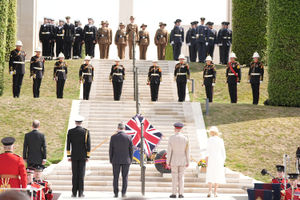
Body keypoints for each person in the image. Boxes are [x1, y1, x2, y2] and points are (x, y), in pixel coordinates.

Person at [67, 116, 91, 198]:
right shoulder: (86, 132)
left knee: (75, 175)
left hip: (74, 156)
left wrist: (69, 155)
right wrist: (87, 156)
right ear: (81, 122)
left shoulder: (71, 131)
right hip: (83, 156)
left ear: (75, 122)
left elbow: (68, 144)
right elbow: (88, 145)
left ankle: (74, 193)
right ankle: (80, 193)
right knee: (81, 175)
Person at [109, 123, 133, 198]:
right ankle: (123, 193)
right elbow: (131, 150)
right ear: (124, 128)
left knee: (115, 177)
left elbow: (111, 150)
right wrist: (130, 159)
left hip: (115, 159)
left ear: (118, 128)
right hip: (126, 160)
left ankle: (116, 193)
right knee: (125, 177)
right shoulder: (128, 137)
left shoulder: (113, 137)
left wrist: (111, 159)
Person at [166, 122, 190, 198]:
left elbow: (169, 151)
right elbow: (187, 151)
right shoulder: (185, 138)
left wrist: (167, 162)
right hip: (182, 160)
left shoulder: (171, 138)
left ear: (175, 128)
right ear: (181, 129)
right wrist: (188, 161)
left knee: (174, 177)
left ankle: (174, 193)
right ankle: (181, 194)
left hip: (174, 160)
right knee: (181, 177)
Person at [205, 126, 226, 198]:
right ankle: (215, 192)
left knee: (210, 174)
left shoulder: (209, 140)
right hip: (219, 159)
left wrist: (206, 160)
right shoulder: (220, 140)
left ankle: (210, 191)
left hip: (211, 159)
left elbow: (207, 151)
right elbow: (223, 152)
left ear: (211, 132)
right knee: (217, 175)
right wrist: (223, 160)